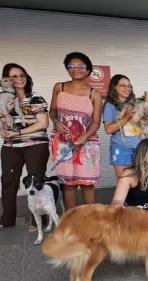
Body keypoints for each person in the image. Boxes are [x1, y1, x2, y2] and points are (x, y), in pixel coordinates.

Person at [48, 52, 102, 210]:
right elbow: (52, 111)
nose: (75, 69)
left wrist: (85, 137)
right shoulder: (59, 87)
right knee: (69, 184)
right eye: (71, 66)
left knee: (87, 184)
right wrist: (56, 122)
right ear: (67, 69)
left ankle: (91, 219)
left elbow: (96, 122)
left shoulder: (95, 94)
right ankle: (72, 220)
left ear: (88, 70)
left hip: (87, 143)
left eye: (80, 66)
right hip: (63, 143)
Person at [0, 64, 49, 229]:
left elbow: (43, 124)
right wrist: (4, 131)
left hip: (35, 144)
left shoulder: (35, 98)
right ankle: (7, 220)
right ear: (6, 80)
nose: (19, 78)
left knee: (37, 180)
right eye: (13, 76)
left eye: (22, 75)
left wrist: (18, 133)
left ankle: (40, 221)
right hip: (11, 146)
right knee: (8, 181)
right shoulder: (4, 100)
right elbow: (5, 124)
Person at [103, 74, 148, 177]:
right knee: (124, 180)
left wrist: (141, 115)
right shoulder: (110, 105)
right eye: (123, 85)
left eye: (129, 86)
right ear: (114, 87)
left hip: (140, 148)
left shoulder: (137, 103)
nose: (127, 88)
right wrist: (126, 117)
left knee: (141, 180)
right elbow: (108, 129)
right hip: (121, 148)